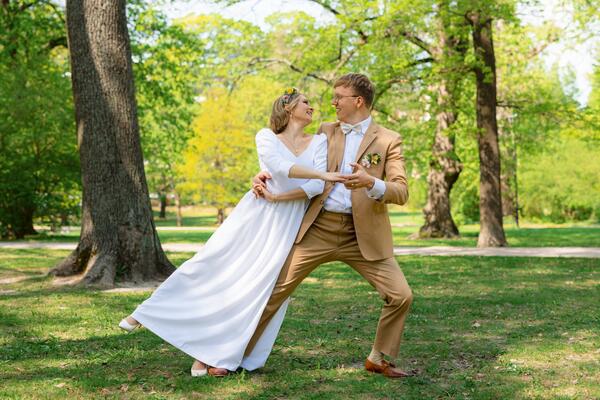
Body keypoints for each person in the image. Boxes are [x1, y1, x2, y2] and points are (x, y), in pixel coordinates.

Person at [118, 88, 345, 377]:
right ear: (288, 108)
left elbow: (314, 188)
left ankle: (214, 353)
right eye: (305, 102)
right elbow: (279, 168)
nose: (312, 107)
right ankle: (146, 313)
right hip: (255, 214)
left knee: (252, 288)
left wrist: (280, 196)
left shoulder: (319, 142)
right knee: (212, 263)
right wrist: (321, 174)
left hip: (286, 222)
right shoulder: (266, 137)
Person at [248, 73, 414, 378]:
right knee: (273, 293)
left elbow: (401, 191)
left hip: (362, 236)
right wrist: (261, 174)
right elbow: (289, 154)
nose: (333, 102)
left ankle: (378, 358)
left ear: (358, 101)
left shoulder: (389, 139)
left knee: (401, 295)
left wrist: (371, 182)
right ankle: (235, 353)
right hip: (318, 227)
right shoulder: (324, 131)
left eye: (339, 97)